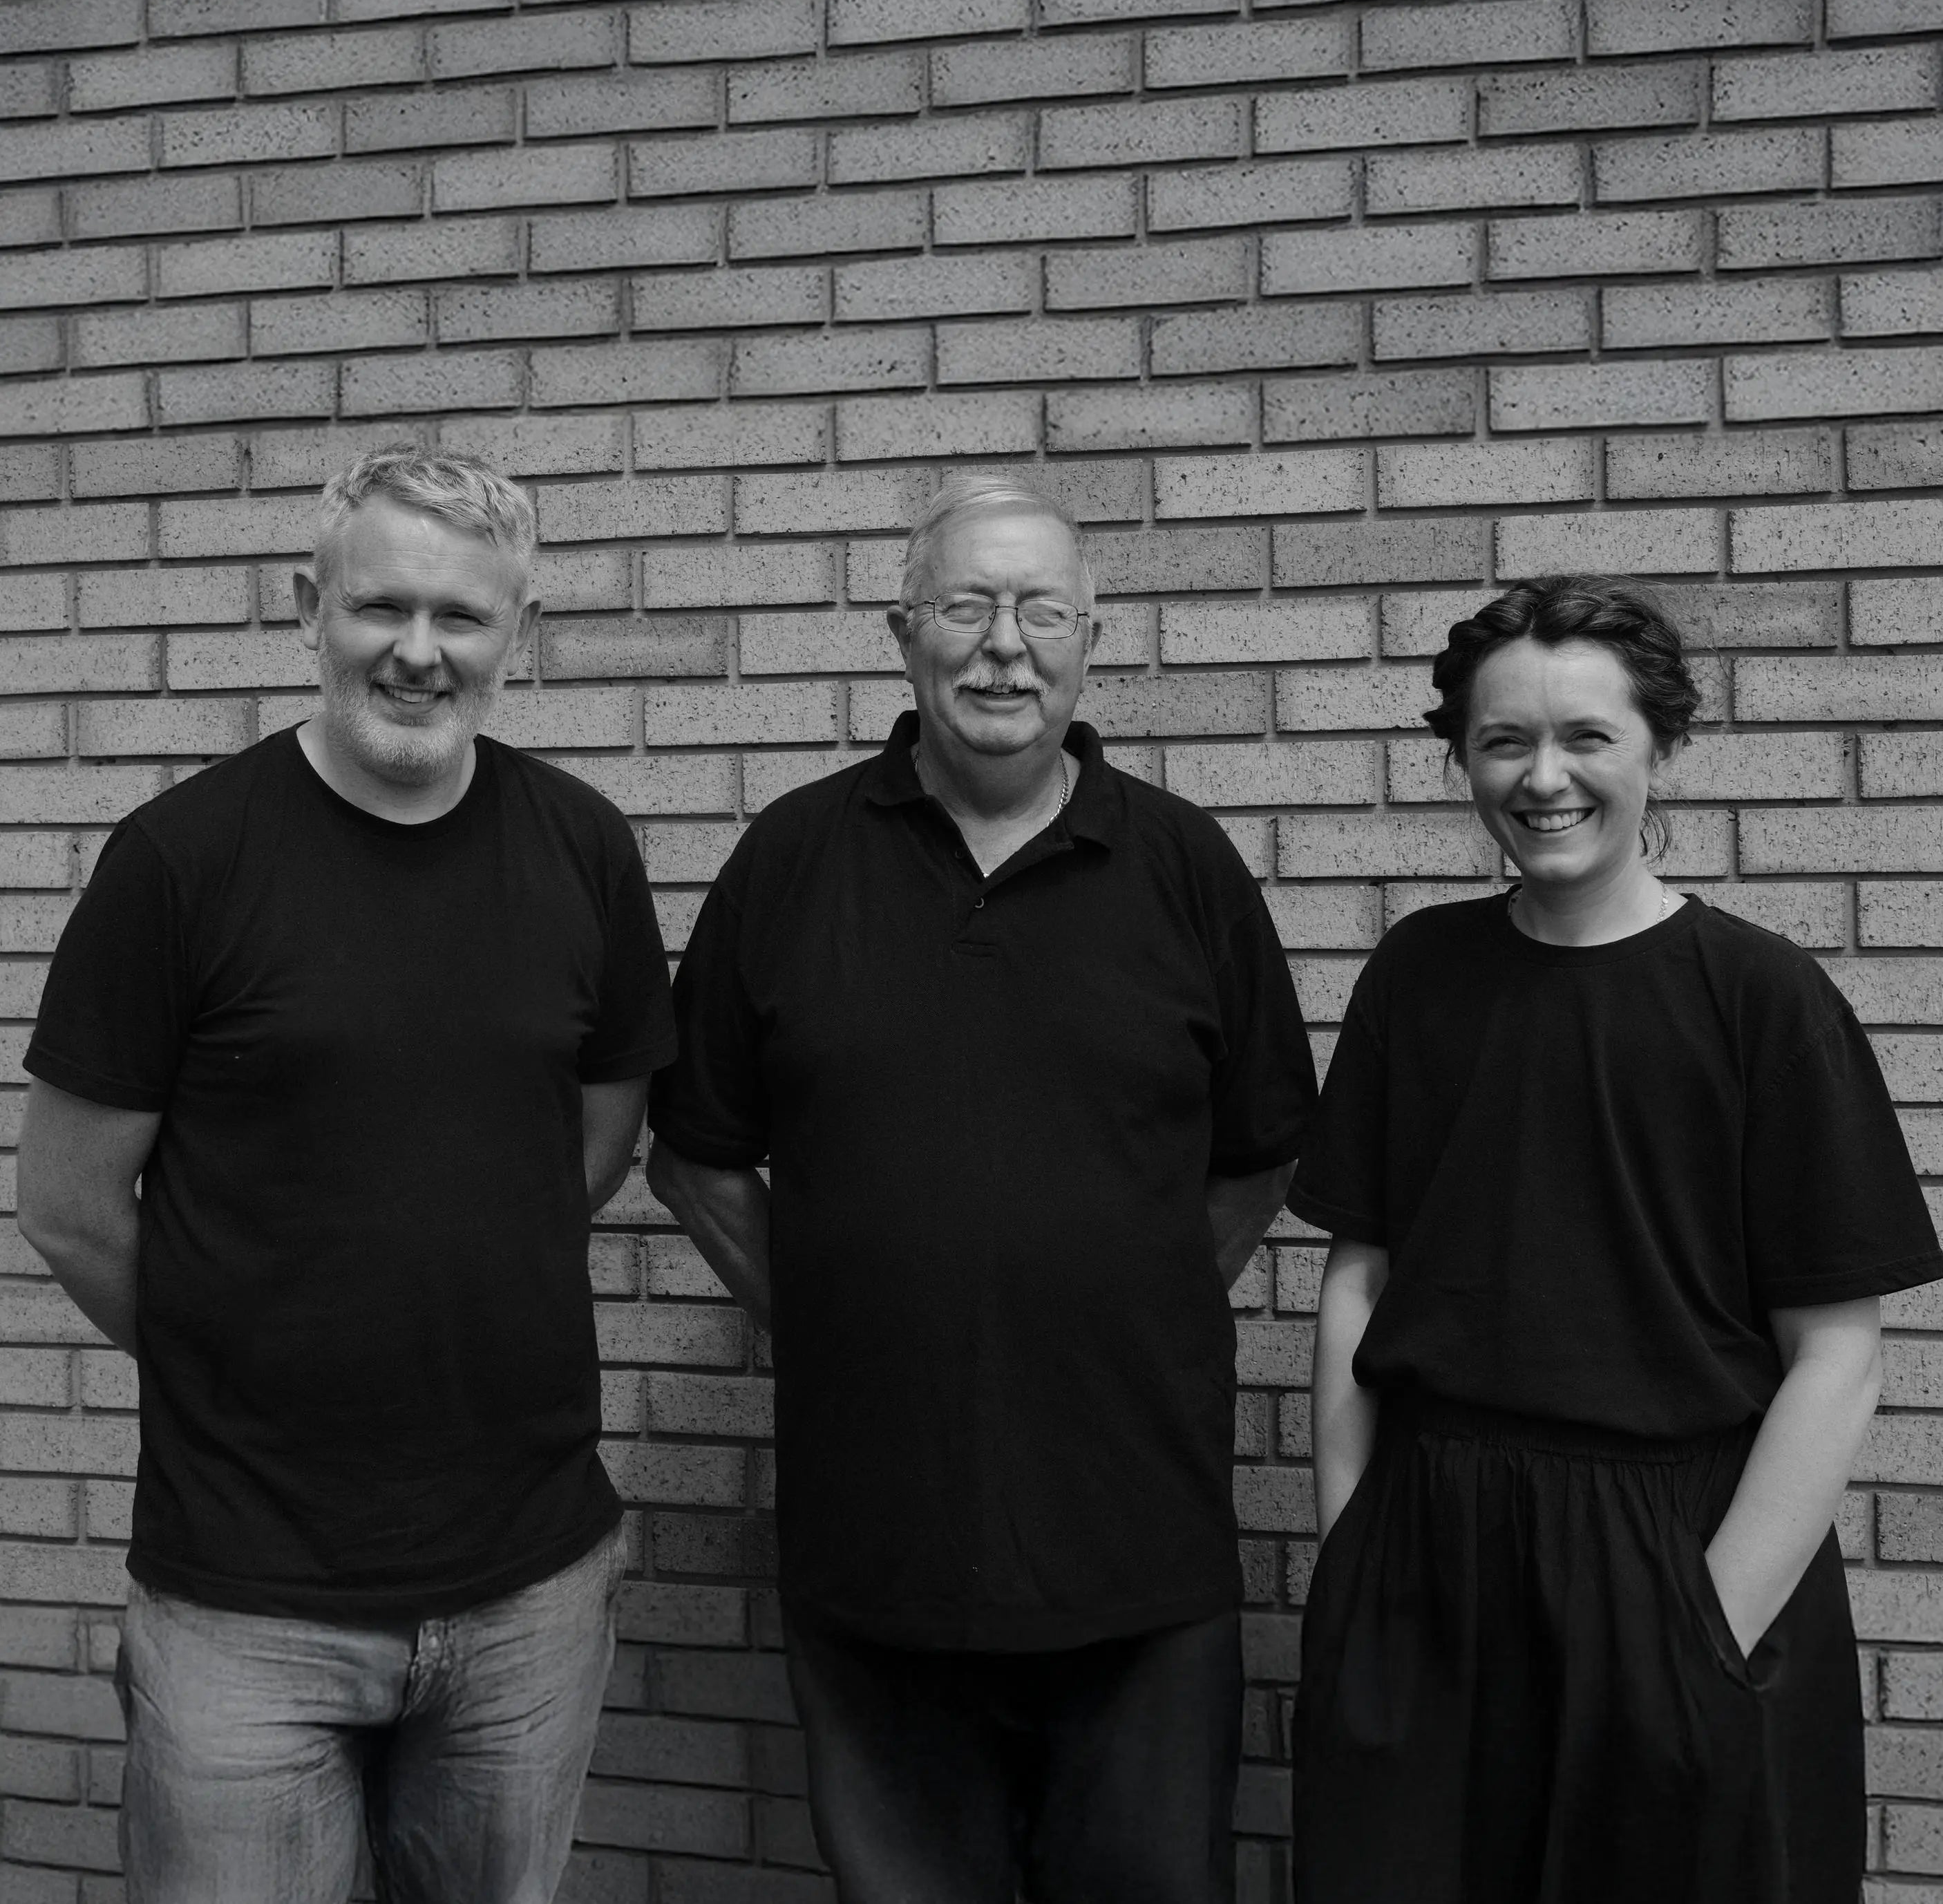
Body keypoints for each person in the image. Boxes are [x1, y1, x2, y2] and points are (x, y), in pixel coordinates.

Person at [16, 445, 674, 1903]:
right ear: (306, 607)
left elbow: (599, 1126)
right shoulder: (179, 860)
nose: (419, 652)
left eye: (463, 617)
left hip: (528, 1587)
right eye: (380, 606)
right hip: (242, 1597)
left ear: (520, 633)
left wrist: (453, 1270)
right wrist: (246, 1346)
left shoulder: (581, 849)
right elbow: (66, 1202)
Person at [646, 471, 1316, 1903]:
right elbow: (694, 1147)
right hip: (874, 1552)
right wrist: (825, 1308)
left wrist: (1122, 1295)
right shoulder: (790, 858)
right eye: (966, 604)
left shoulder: (1184, 866)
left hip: (1137, 1555)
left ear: (1091, 642)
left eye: (1040, 610)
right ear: (902, 631)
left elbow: (1261, 1150)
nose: (1003, 644)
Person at [1288, 573, 1942, 1904]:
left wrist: (1703, 1632)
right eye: (1503, 741)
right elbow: (1361, 1279)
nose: (1545, 778)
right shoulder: (1417, 977)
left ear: (1660, 748)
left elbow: (1838, 1354)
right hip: (1432, 1557)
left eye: (1586, 737)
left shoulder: (1763, 997)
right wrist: (1353, 1557)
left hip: (1686, 1554)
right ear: (1462, 758)